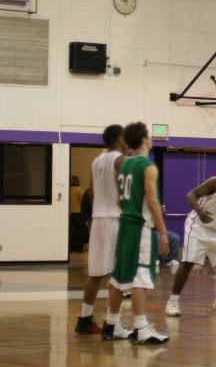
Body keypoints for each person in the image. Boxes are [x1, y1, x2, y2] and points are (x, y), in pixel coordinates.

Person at [106, 122, 169, 344]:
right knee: (140, 276)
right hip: (140, 227)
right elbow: (152, 201)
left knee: (118, 277)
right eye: (149, 136)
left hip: (124, 224)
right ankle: (141, 328)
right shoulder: (148, 166)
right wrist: (163, 232)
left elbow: (118, 200)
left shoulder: (123, 164)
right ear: (144, 139)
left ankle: (111, 324)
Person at [165, 156, 216, 317]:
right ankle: (172, 301)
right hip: (199, 227)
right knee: (188, 262)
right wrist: (200, 211)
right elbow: (191, 195)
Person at [75, 125, 128, 335]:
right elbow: (126, 192)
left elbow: (91, 193)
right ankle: (113, 323)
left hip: (97, 219)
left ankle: (84, 319)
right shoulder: (121, 160)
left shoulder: (96, 160)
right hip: (115, 219)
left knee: (95, 274)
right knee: (118, 273)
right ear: (119, 139)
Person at [69, 175, 86, 253]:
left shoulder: (68, 190)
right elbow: (83, 202)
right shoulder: (80, 190)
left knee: (70, 230)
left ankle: (71, 247)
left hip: (70, 213)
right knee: (79, 231)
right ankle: (79, 248)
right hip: (78, 213)